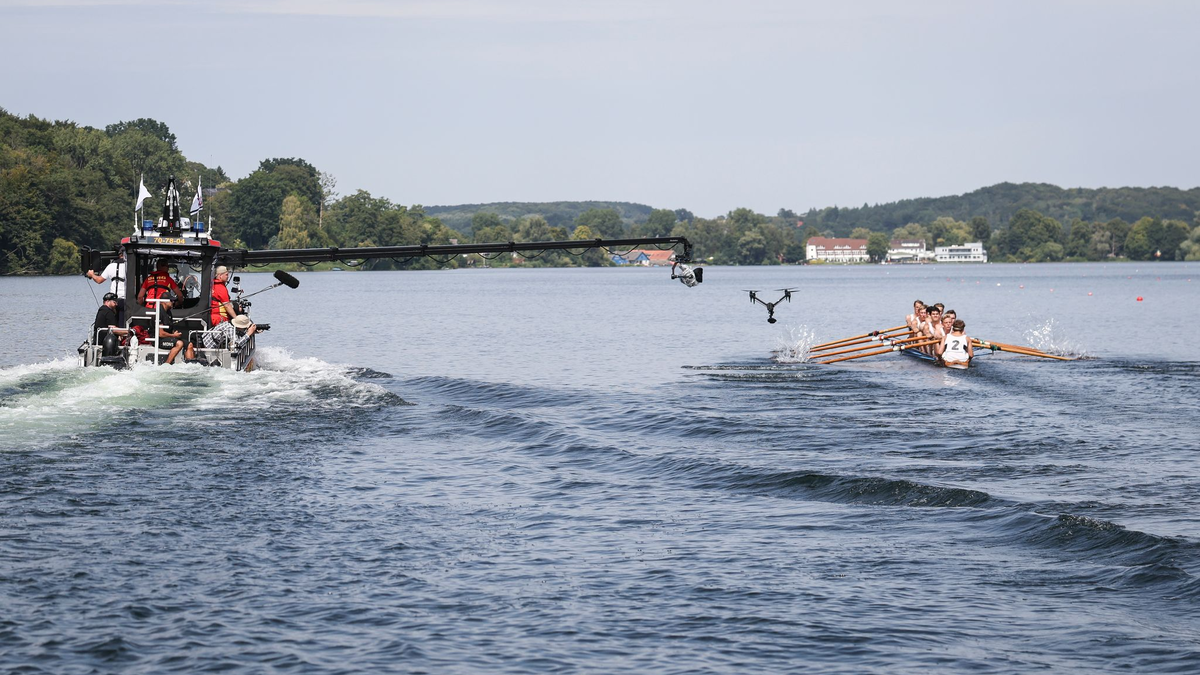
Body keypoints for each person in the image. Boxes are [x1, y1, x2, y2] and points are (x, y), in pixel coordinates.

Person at [186, 313, 256, 360]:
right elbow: (237, 344)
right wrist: (248, 334)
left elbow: (237, 334)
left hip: (205, 340)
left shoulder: (229, 324)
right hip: (208, 347)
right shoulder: (230, 329)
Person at [86, 245, 127, 324]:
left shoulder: (110, 266)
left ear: (119, 254)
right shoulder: (129, 266)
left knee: (112, 321)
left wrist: (92, 275)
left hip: (112, 300)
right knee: (122, 322)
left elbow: (99, 280)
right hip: (124, 299)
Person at [148, 293, 186, 364]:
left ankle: (191, 367)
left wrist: (174, 333)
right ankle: (166, 364)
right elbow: (161, 334)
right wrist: (174, 336)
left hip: (167, 337)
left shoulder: (168, 312)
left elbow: (170, 327)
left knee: (189, 344)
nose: (173, 302)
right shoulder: (158, 312)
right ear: (165, 301)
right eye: (171, 300)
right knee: (179, 343)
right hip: (158, 339)